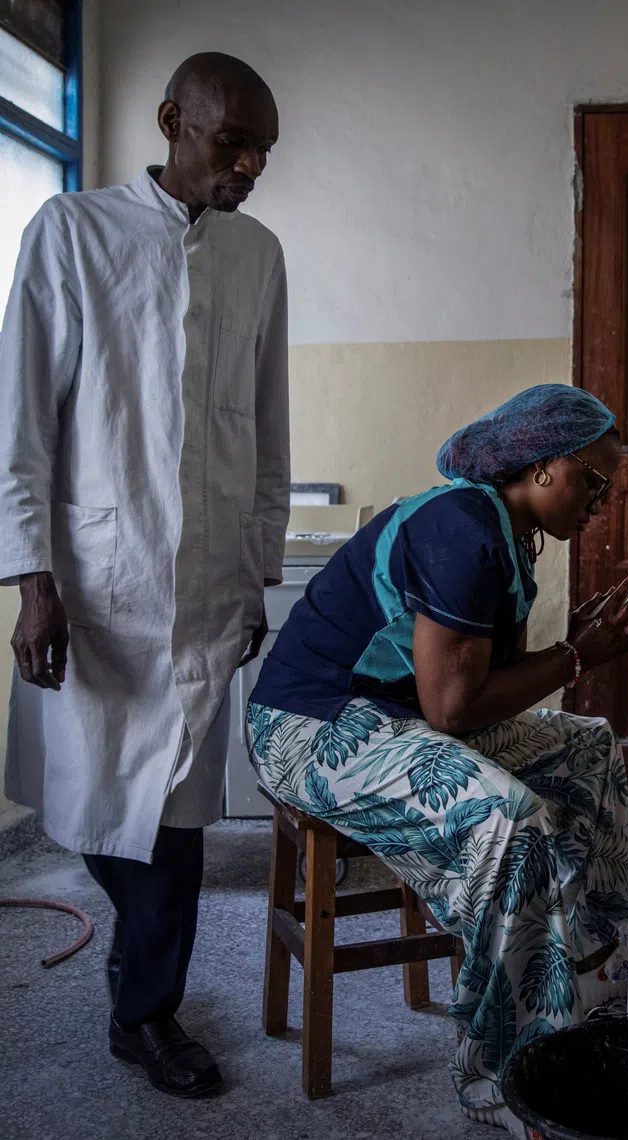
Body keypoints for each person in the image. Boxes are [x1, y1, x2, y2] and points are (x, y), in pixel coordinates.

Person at [246, 385, 628, 1132]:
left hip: (395, 712)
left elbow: (472, 687)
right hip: (311, 724)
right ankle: (506, 1075)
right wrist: (576, 657)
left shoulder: (505, 531)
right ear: (542, 468)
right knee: (511, 822)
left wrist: (574, 649)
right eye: (594, 482)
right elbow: (455, 709)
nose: (602, 501)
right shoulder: (461, 528)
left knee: (586, 746)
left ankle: (588, 963)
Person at [0, 53, 290, 1095]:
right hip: (96, 583)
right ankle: (143, 969)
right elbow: (21, 421)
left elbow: (266, 430)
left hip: (211, 588)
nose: (250, 166)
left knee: (174, 817)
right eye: (230, 143)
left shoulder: (258, 254)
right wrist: (33, 580)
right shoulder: (70, 234)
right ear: (173, 121)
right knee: (92, 806)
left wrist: (258, 570)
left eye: (262, 151)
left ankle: (145, 1012)